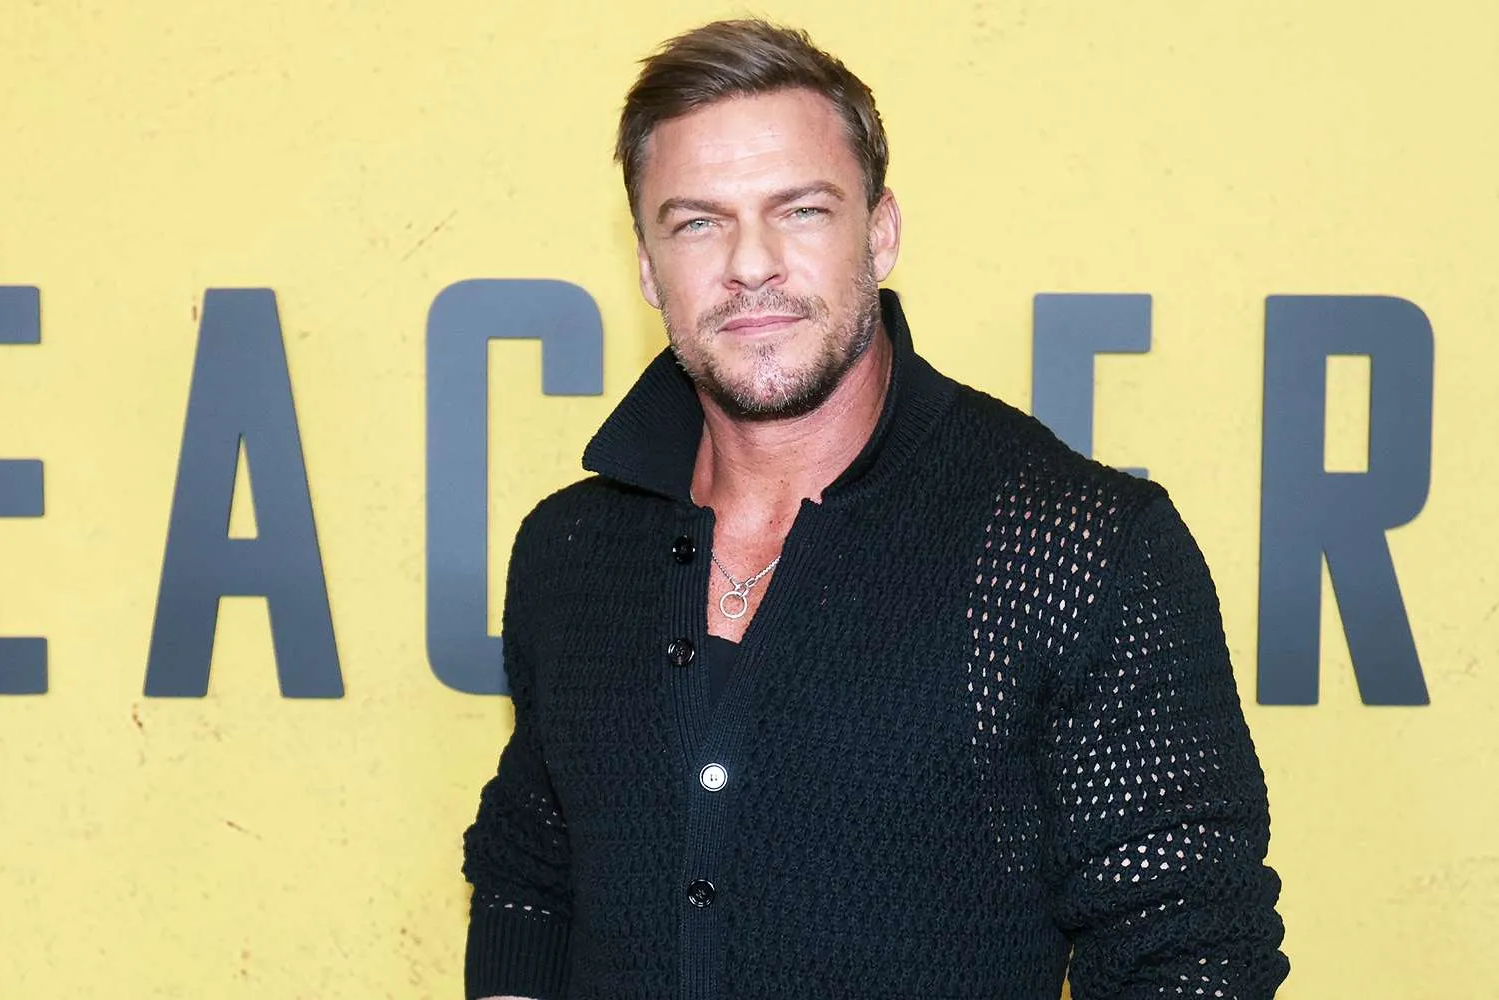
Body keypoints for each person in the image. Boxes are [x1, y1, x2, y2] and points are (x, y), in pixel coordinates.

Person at [461, 18, 1288, 1000]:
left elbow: (1193, 953)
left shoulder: (1078, 547)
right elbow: (530, 882)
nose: (752, 263)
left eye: (802, 211)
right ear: (647, 264)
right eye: (698, 223)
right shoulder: (570, 551)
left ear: (881, 232)